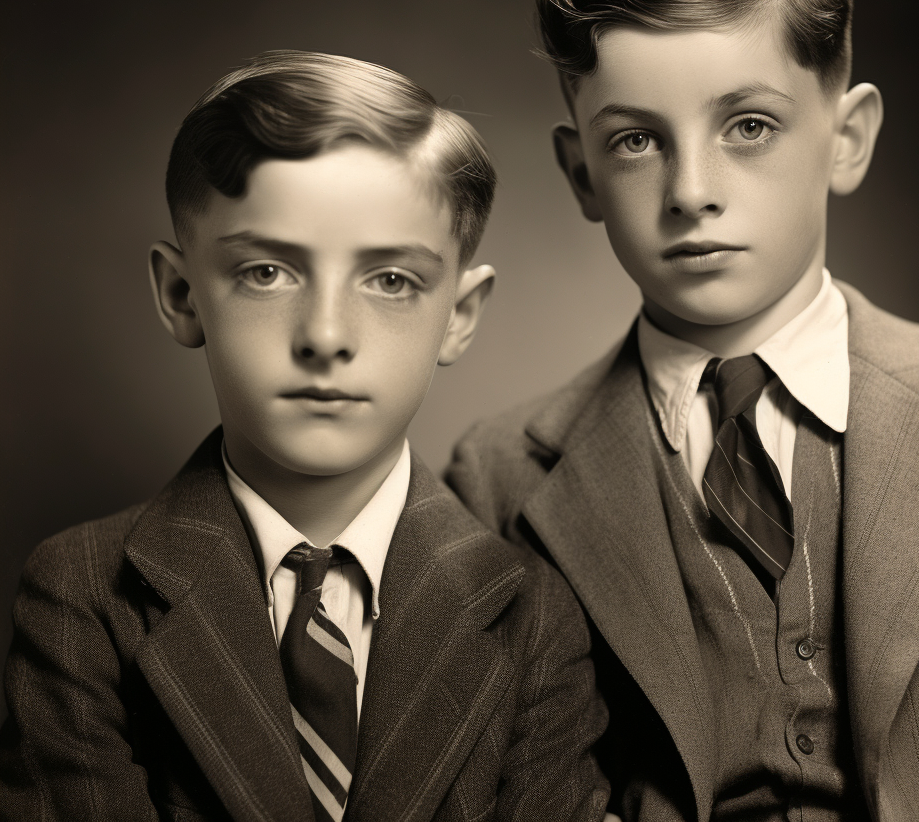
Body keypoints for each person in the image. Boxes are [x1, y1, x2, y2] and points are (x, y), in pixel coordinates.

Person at [446, 0, 919, 821]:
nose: (692, 192)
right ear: (581, 174)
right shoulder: (500, 476)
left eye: (748, 126)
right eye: (636, 141)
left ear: (847, 136)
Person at [0, 51, 610, 822]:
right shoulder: (81, 597)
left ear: (459, 314)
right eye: (266, 273)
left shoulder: (535, 617)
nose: (326, 336)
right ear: (181, 294)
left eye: (390, 280)